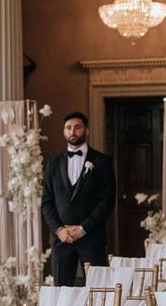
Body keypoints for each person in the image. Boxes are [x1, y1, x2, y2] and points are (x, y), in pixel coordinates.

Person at [41, 111, 116, 286]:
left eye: (77, 127)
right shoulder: (54, 162)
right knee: (62, 294)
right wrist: (59, 230)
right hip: (62, 240)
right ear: (64, 132)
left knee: (99, 292)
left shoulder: (102, 162)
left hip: (92, 237)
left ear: (86, 131)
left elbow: (107, 201)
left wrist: (83, 228)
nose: (72, 131)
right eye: (68, 128)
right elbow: (46, 201)